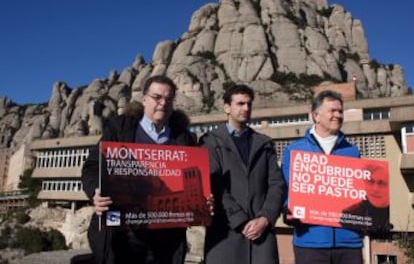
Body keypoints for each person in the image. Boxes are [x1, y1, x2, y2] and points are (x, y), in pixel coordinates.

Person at [81, 75, 197, 264]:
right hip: (123, 236)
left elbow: (194, 180)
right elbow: (92, 167)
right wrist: (96, 192)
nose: (163, 103)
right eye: (157, 97)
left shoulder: (185, 138)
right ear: (144, 99)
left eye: (168, 99)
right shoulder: (120, 128)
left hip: (167, 241)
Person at [200, 84, 286, 264]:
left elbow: (276, 184)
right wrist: (240, 220)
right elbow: (214, 183)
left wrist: (265, 218)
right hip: (225, 235)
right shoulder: (210, 141)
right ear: (227, 108)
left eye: (249, 104)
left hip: (262, 237)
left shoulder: (264, 143)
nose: (246, 108)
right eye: (240, 103)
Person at [281, 90, 364, 264]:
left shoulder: (352, 151)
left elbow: (359, 194)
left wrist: (374, 215)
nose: (338, 115)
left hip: (349, 243)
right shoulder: (294, 150)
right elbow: (285, 190)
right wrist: (288, 209)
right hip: (310, 242)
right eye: (332, 111)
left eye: (340, 111)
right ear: (316, 115)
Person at [340, 164, 391, 233]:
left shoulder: (395, 211)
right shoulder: (350, 213)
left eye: (381, 183)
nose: (375, 189)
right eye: (370, 182)